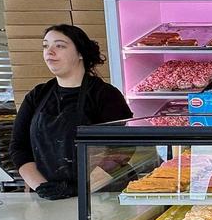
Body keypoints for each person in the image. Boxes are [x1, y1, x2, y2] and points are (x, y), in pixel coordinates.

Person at [9, 24, 132, 200]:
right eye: (45, 46)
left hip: (101, 196)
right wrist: (42, 187)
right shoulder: (37, 96)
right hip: (49, 199)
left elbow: (121, 149)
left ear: (80, 53)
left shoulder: (105, 95)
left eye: (59, 46)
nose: (50, 52)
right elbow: (19, 147)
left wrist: (80, 188)